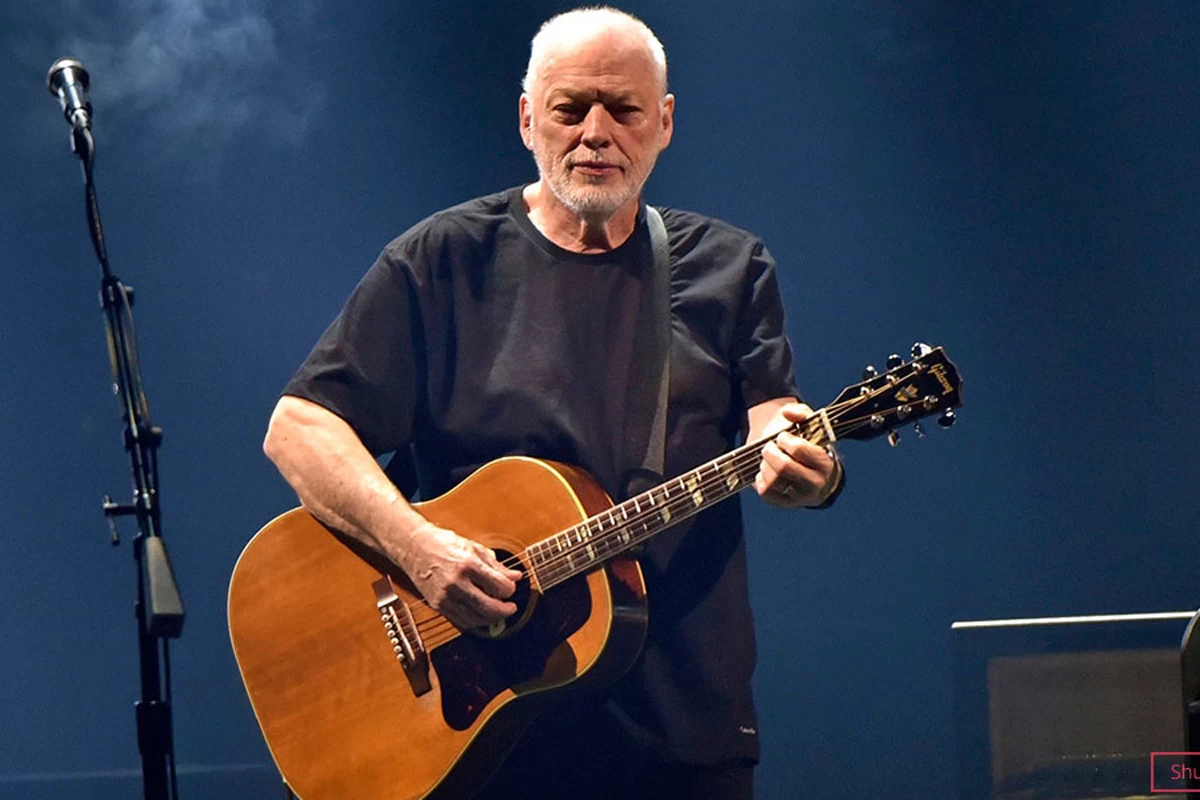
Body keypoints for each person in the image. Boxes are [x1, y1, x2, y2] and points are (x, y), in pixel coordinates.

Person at [263, 7, 842, 798]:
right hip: (478, 734)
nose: (596, 134)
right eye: (571, 109)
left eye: (624, 110)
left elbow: (774, 420)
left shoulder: (728, 268)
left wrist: (807, 463)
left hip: (676, 729)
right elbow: (300, 428)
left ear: (664, 122)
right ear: (528, 119)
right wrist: (420, 551)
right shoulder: (445, 259)